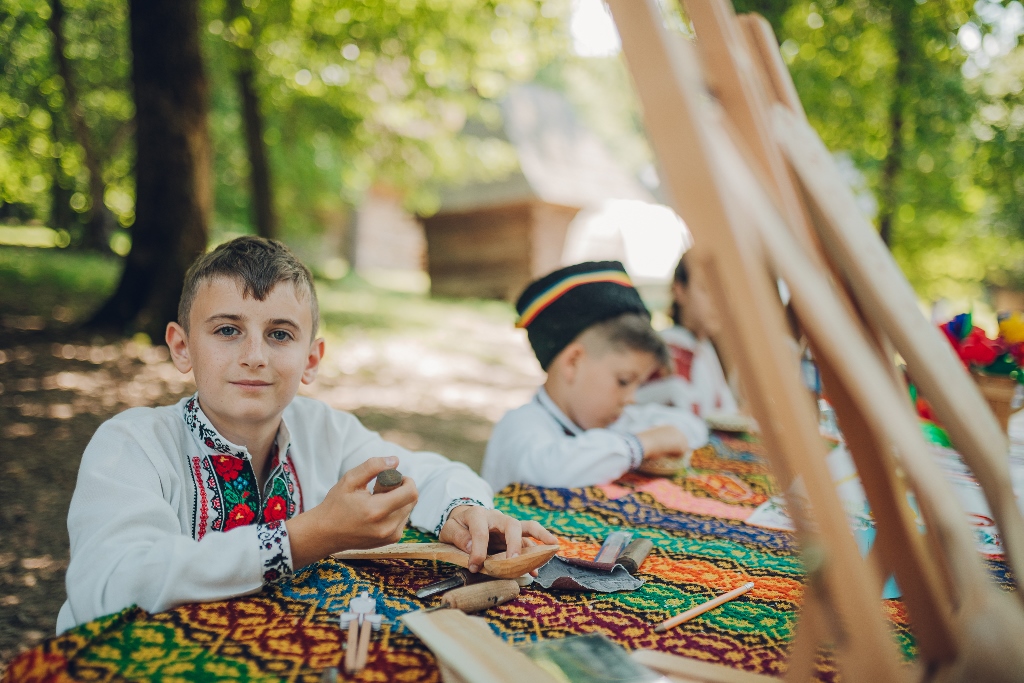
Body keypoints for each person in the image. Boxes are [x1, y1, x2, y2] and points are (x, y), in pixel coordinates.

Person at [57, 236, 556, 633]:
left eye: (279, 334)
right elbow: (111, 583)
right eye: (227, 330)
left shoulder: (323, 429)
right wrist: (307, 537)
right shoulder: (133, 444)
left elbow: (420, 473)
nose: (254, 355)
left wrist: (460, 509)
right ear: (182, 347)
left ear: (311, 360)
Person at [482, 261, 709, 491]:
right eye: (623, 381)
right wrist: (641, 445)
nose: (631, 398)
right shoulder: (519, 426)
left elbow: (692, 427)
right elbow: (551, 468)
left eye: (637, 385)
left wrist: (662, 435)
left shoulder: (612, 423)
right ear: (573, 362)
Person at [635, 254, 738, 417]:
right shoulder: (667, 349)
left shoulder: (704, 348)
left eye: (723, 293)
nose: (717, 303)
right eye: (706, 289)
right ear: (679, 290)